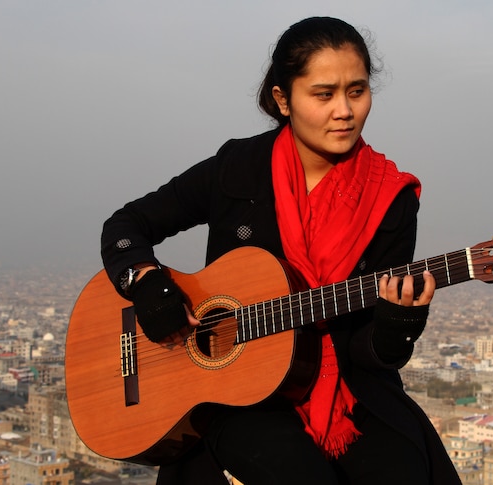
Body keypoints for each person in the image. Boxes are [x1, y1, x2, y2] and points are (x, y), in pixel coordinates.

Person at [101, 16, 461, 485]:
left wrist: (397, 329)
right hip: (232, 390)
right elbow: (127, 225)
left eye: (357, 91)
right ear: (282, 100)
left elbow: (367, 349)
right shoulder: (239, 168)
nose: (345, 111)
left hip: (344, 387)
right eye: (324, 93)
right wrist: (145, 281)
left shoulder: (390, 200)